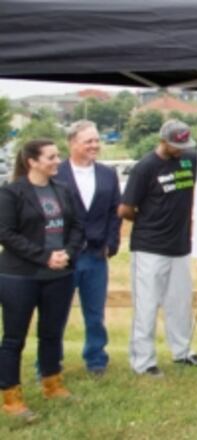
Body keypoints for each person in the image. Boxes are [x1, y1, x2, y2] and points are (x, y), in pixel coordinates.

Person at [0, 139, 84, 420]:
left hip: (59, 274)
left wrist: (67, 253)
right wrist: (44, 256)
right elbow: (6, 233)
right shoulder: (11, 193)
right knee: (14, 338)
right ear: (32, 162)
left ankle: (52, 384)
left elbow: (77, 226)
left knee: (51, 333)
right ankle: (10, 398)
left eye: (58, 155)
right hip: (20, 277)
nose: (58, 160)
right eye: (51, 157)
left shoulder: (63, 190)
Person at [118, 119, 197, 377]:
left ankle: (182, 351)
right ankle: (143, 361)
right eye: (176, 145)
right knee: (146, 305)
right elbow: (124, 209)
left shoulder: (189, 159)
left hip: (180, 245)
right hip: (149, 247)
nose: (181, 149)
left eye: (185, 145)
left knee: (180, 303)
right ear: (162, 141)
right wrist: (148, 220)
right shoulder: (145, 168)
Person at [53, 120, 121, 376]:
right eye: (88, 141)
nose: (94, 145)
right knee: (55, 313)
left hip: (95, 255)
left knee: (95, 313)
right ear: (72, 143)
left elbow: (115, 212)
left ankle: (96, 359)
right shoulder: (56, 173)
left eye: (96, 140)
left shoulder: (107, 174)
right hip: (63, 256)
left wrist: (111, 244)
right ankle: (49, 362)